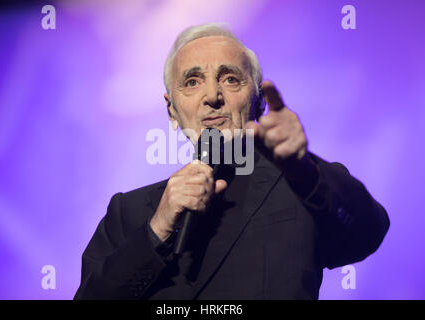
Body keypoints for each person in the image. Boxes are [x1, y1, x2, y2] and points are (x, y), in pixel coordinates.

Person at [74, 23, 389, 300]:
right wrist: (157, 229)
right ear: (172, 110)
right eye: (192, 82)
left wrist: (303, 169)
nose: (212, 95)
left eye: (230, 79)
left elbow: (368, 232)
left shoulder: (304, 184)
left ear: (258, 103)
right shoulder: (129, 212)